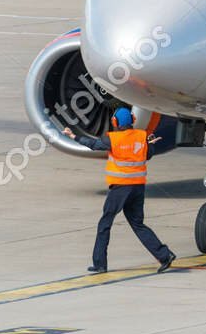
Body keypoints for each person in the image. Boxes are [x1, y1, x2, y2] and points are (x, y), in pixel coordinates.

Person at [74, 107, 176, 273]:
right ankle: (164, 255)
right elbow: (148, 154)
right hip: (138, 188)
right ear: (133, 120)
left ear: (115, 122)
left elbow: (93, 145)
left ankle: (100, 264)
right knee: (138, 224)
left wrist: (74, 136)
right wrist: (149, 145)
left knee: (105, 223)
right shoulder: (142, 136)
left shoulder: (112, 138)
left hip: (120, 188)